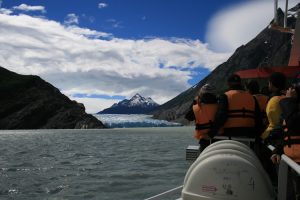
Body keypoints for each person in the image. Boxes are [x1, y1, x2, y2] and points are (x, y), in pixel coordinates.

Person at [271, 74, 300, 200]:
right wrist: (278, 150)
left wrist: (289, 101)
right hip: (293, 162)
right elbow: (286, 132)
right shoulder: (293, 107)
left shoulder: (291, 105)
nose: (290, 90)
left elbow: (294, 124)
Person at [207, 74, 263, 139]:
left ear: (228, 84)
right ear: (240, 83)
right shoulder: (252, 97)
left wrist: (211, 133)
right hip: (249, 133)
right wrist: (258, 135)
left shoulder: (225, 96)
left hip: (229, 133)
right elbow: (258, 118)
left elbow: (221, 116)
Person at [185, 83, 218, 151]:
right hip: (219, 138)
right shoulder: (220, 105)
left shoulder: (196, 107)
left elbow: (188, 117)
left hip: (204, 139)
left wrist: (194, 102)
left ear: (201, 94)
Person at [261, 72, 287, 143]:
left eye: (269, 83)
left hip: (275, 134)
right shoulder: (290, 96)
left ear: (272, 84)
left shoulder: (273, 100)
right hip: (289, 133)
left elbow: (274, 122)